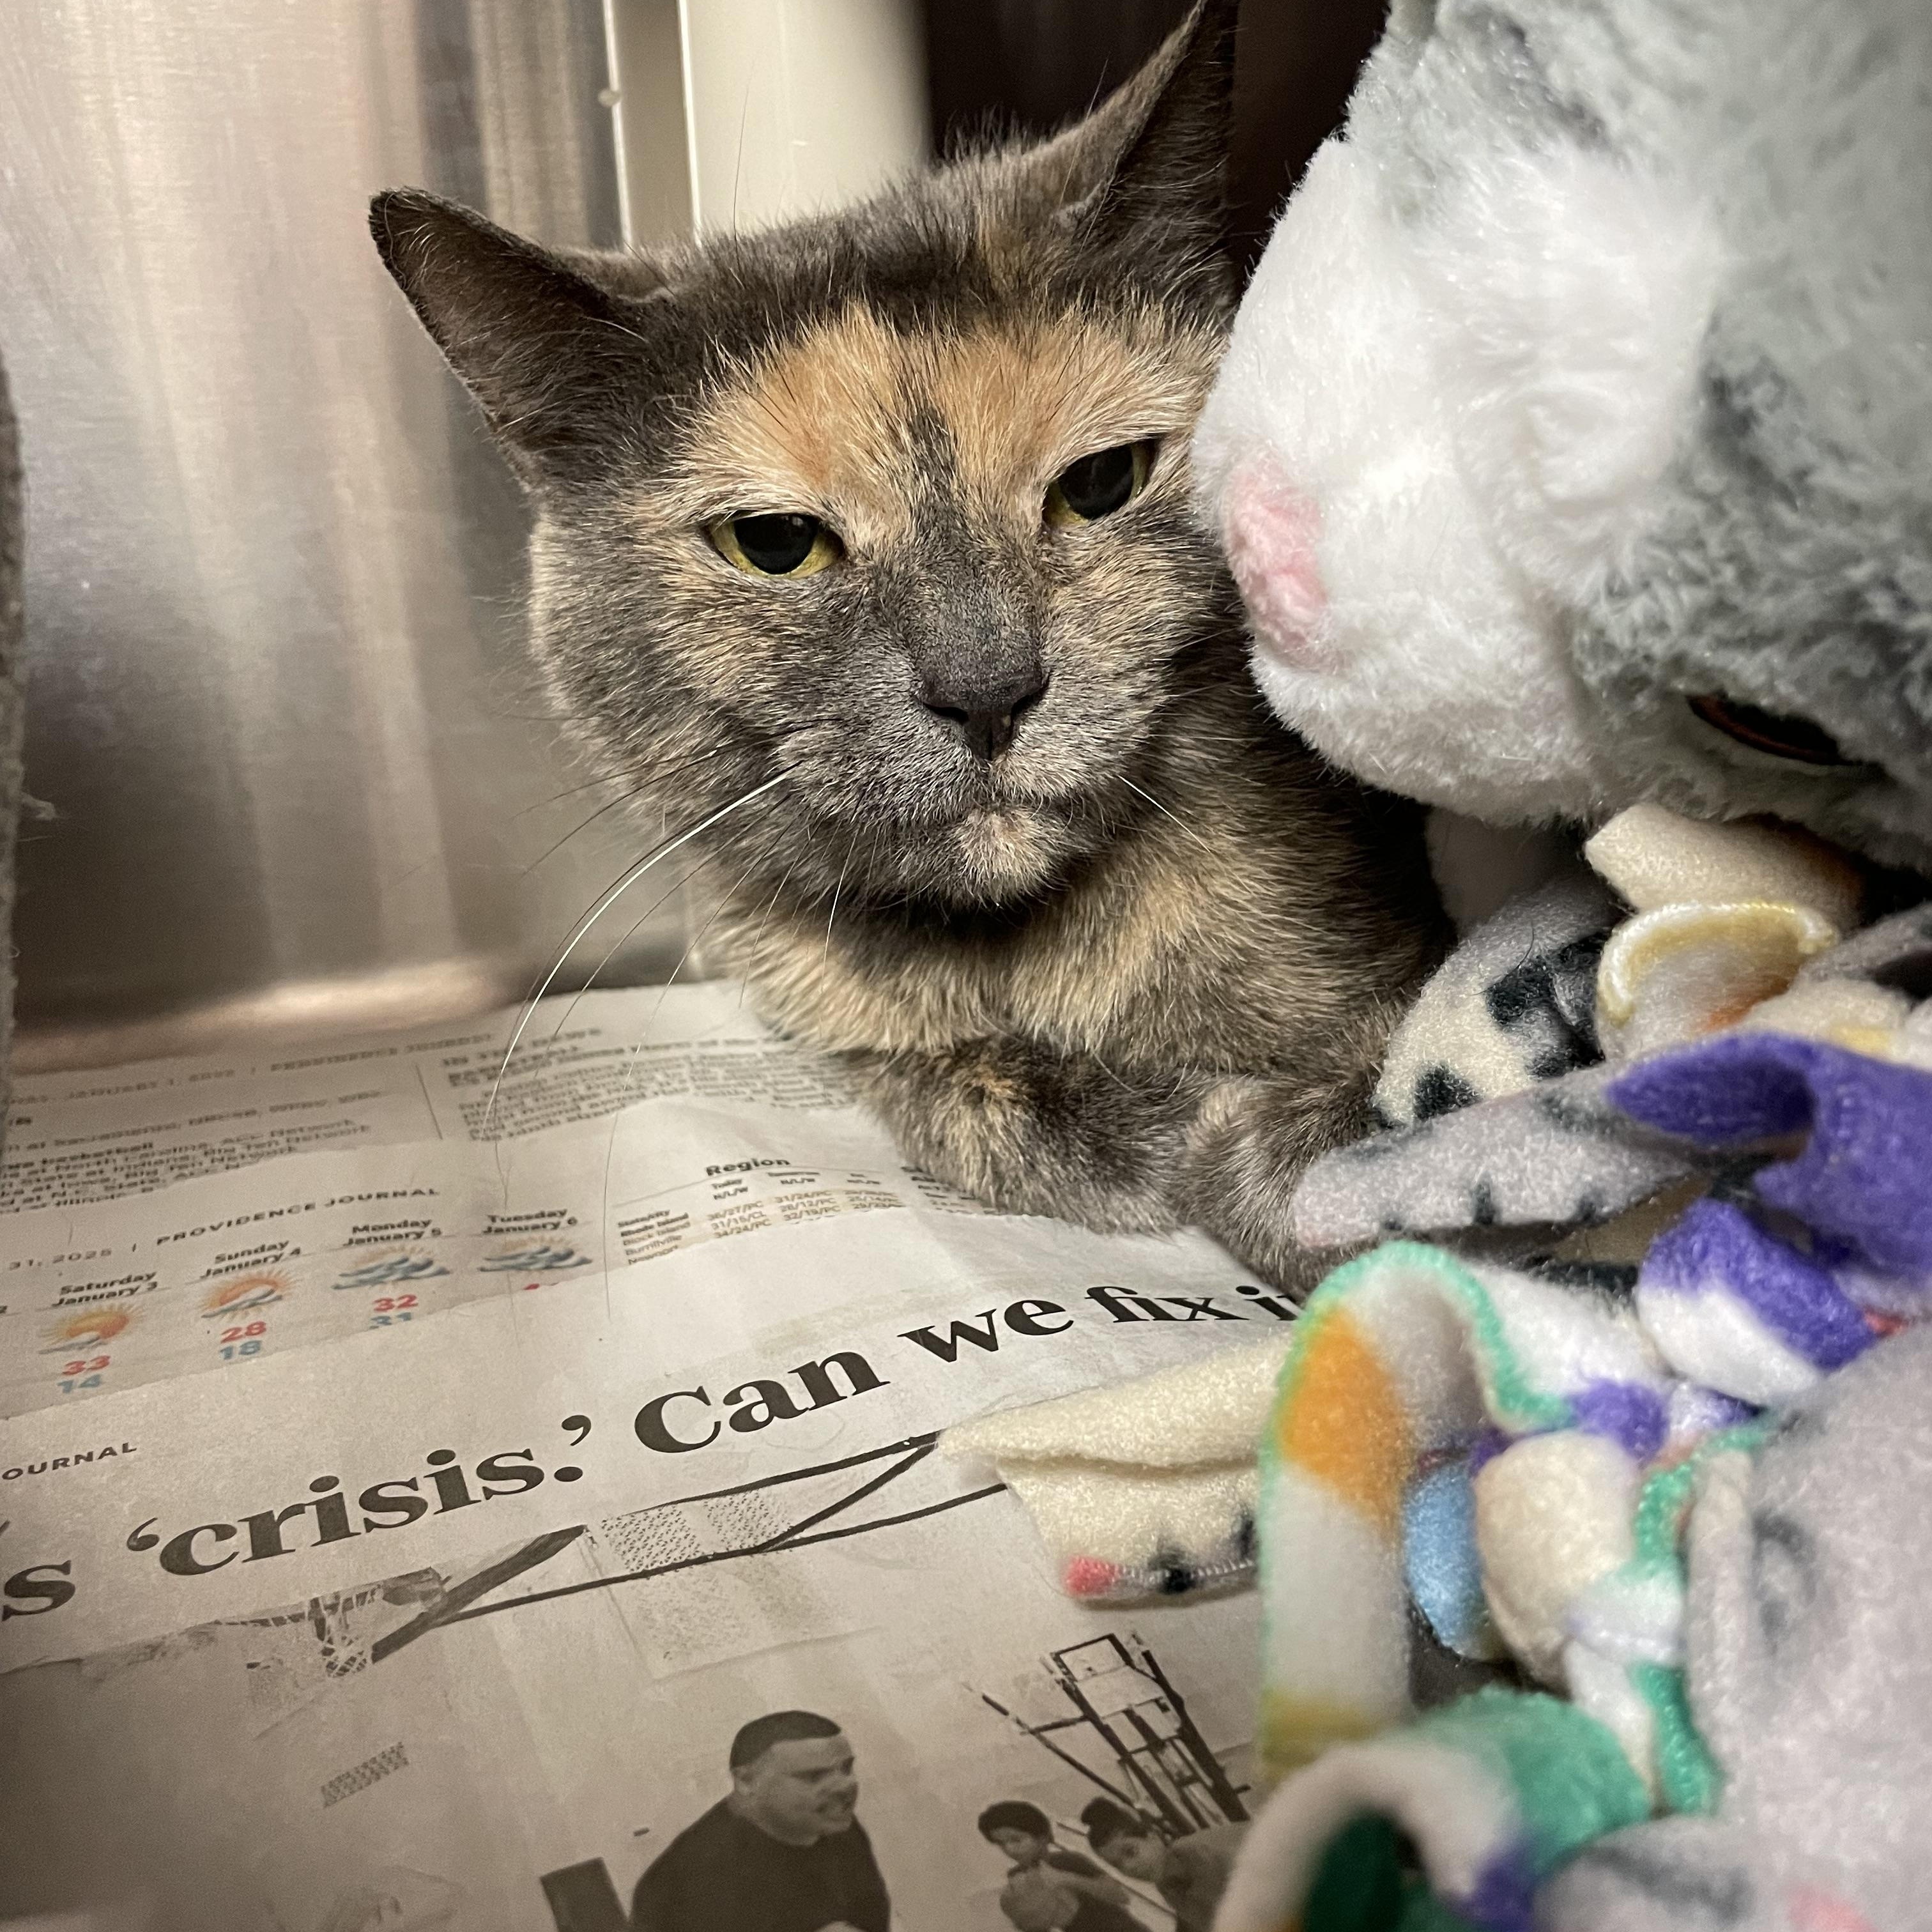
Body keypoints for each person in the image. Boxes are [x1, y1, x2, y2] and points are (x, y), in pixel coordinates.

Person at [631, 1711, 890, 1932]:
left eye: (846, 1768)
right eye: (814, 1777)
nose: (844, 1787)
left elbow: (871, 1918)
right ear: (746, 1782)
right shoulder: (697, 1880)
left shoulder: (827, 1822)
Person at [977, 1800, 1147, 1932]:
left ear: (1042, 1837)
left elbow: (1119, 1896)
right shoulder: (1018, 1878)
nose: (1009, 1849)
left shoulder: (1066, 1861)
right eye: (1001, 1843)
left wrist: (1067, 1879)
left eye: (1016, 1840)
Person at [1080, 1799, 1247, 1932]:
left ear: (1152, 1836)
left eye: (1131, 1852)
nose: (1129, 1868)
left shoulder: (1208, 1856)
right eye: (1118, 1865)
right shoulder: (1168, 1882)